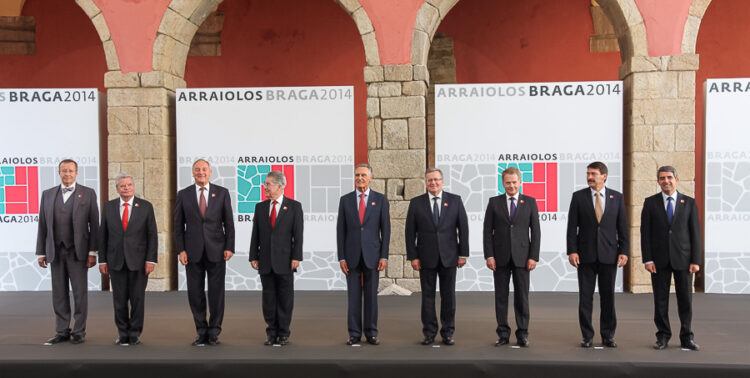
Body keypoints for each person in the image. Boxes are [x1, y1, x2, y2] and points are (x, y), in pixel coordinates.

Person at [36, 159, 99, 345]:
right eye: (64, 171)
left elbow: (94, 225)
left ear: (77, 173)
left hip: (78, 252)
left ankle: (79, 331)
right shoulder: (47, 195)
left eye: (71, 171)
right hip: (55, 252)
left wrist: (93, 252)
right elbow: (42, 225)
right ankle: (62, 330)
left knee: (80, 293)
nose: (67, 174)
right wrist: (41, 252)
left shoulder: (87, 193)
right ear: (59, 172)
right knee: (59, 293)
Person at [566, 161, 628, 348]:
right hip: (585, 256)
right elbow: (571, 228)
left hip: (609, 255)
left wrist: (624, 251)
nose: (589, 177)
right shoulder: (578, 197)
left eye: (593, 173)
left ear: (604, 176)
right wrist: (572, 251)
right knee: (585, 297)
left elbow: (622, 227)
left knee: (608, 297)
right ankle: (587, 336)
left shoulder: (617, 197)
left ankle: (608, 335)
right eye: (588, 173)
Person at [174, 159, 235, 346]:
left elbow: (228, 223)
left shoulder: (222, 193)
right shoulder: (183, 195)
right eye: (197, 169)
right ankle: (201, 331)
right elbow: (178, 225)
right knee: (195, 293)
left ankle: (214, 331)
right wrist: (181, 249)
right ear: (193, 173)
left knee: (217, 293)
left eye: (204, 169)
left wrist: (229, 247)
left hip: (217, 250)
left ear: (210, 172)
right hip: (192, 251)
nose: (201, 172)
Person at [405, 168, 468, 346]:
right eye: (429, 180)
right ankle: (429, 333)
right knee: (428, 296)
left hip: (450, 257)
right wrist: (413, 257)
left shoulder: (455, 201)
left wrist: (463, 254)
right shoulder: (416, 203)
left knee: (449, 296)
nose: (433, 183)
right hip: (426, 258)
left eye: (436, 179)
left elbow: (463, 229)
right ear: (425, 183)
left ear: (443, 181)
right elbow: (410, 232)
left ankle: (448, 332)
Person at [640, 166, 701, 351]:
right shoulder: (650, 203)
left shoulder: (689, 203)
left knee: (685, 300)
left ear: (676, 179)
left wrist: (696, 260)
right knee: (660, 300)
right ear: (658, 181)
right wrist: (647, 259)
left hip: (684, 260)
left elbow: (695, 233)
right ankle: (663, 336)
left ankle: (686, 337)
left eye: (669, 177)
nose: (666, 181)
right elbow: (645, 233)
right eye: (661, 178)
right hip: (659, 261)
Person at [483, 166, 540, 347]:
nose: (511, 186)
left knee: (522, 298)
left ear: (520, 182)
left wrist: (533, 257)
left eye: (514, 182)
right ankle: (503, 334)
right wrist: (489, 255)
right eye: (508, 183)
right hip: (499, 258)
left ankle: (522, 333)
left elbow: (536, 232)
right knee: (501, 297)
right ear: (503, 183)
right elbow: (487, 232)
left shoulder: (530, 202)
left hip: (523, 258)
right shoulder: (494, 202)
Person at [99, 173, 158, 346]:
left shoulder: (146, 207)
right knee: (119, 300)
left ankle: (135, 333)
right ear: (117, 188)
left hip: (139, 262)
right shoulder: (108, 207)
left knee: (137, 299)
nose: (126, 188)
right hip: (115, 261)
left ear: (134, 186)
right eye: (123, 185)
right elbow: (103, 235)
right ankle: (122, 333)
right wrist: (102, 260)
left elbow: (152, 235)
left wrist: (151, 260)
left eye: (129, 185)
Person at [337, 163, 390, 346]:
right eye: (357, 175)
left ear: (370, 178)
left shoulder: (380, 199)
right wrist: (341, 257)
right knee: (353, 297)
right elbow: (340, 231)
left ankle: (371, 333)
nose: (360, 178)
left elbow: (386, 230)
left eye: (363, 175)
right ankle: (354, 334)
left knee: (371, 297)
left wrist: (384, 256)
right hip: (351, 257)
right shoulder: (345, 200)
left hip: (373, 256)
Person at [249, 170, 303, 346]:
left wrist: (296, 257)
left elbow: (298, 234)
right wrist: (253, 256)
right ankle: (271, 332)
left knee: (285, 298)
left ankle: (284, 332)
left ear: (280, 186)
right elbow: (255, 234)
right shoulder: (260, 207)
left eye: (268, 184)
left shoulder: (294, 206)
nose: (265, 187)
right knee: (269, 298)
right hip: (265, 261)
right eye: (265, 184)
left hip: (286, 261)